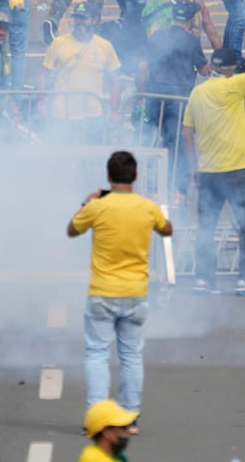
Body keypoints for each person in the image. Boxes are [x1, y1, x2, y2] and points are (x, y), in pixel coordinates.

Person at [68, 151, 172, 420]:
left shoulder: (97, 207)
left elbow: (72, 229)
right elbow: (167, 229)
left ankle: (99, 418)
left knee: (97, 354)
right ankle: (129, 416)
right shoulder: (147, 207)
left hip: (102, 292)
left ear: (108, 177)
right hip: (136, 292)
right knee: (131, 356)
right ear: (135, 177)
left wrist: (87, 201)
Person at [182, 29, 245, 296]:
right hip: (236, 170)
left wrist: (193, 168)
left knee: (206, 227)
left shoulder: (197, 93)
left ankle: (204, 280)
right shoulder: (234, 86)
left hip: (207, 171)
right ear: (232, 69)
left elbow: (187, 132)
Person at [138, 0, 207, 200]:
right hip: (178, 100)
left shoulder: (156, 36)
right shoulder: (191, 40)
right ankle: (178, 190)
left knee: (152, 140)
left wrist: (142, 96)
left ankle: (151, 188)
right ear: (192, 19)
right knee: (178, 144)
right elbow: (204, 69)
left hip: (154, 97)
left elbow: (142, 68)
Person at [43, 2, 121, 140]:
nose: (79, 22)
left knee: (92, 157)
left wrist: (114, 111)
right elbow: (44, 75)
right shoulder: (58, 43)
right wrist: (41, 103)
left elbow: (114, 81)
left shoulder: (105, 46)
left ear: (95, 20)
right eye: (77, 18)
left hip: (93, 115)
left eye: (84, 18)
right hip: (63, 113)